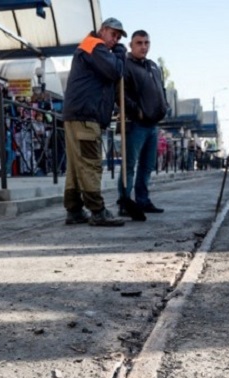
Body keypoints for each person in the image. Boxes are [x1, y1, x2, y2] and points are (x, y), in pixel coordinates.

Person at [62, 17, 128, 226]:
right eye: (113, 35)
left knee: (75, 166)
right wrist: (120, 54)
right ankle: (97, 211)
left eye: (118, 38)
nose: (115, 40)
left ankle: (74, 210)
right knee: (90, 163)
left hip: (77, 115)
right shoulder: (95, 46)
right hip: (84, 116)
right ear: (102, 30)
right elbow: (115, 71)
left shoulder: (93, 48)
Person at [117, 29, 169, 217]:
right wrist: (136, 110)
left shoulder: (153, 66)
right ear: (131, 44)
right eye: (139, 43)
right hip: (135, 124)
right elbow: (120, 93)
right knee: (129, 165)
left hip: (153, 124)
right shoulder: (125, 64)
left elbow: (160, 88)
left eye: (146, 43)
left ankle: (142, 200)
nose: (143, 46)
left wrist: (164, 105)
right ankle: (125, 203)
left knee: (147, 166)